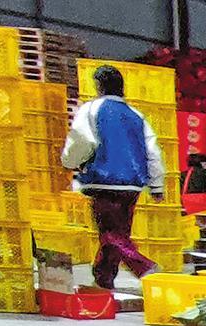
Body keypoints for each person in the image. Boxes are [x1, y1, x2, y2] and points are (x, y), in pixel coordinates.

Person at [61, 64, 167, 289]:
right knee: (118, 233)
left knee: (110, 234)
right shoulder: (137, 116)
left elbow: (82, 140)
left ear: (98, 86)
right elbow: (152, 151)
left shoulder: (91, 109)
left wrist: (69, 163)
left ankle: (143, 266)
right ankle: (103, 278)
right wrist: (156, 185)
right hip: (132, 184)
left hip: (103, 180)